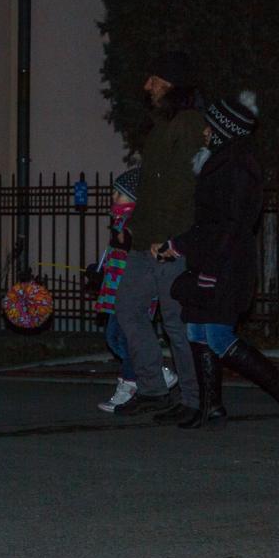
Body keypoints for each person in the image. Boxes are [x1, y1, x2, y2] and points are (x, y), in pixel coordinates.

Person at [152, 92, 279, 430]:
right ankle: (211, 407)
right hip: (211, 260)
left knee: (219, 337)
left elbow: (230, 225)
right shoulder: (221, 162)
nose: (205, 132)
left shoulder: (237, 167)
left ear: (224, 130)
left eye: (209, 127)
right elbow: (209, 223)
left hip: (225, 265)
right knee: (197, 330)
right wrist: (178, 245)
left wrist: (209, 267)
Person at [113, 52, 205, 420]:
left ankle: (194, 399)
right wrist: (135, 227)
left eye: (153, 79)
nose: (146, 86)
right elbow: (153, 188)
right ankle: (153, 388)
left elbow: (184, 188)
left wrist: (169, 237)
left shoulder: (188, 124)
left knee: (176, 323)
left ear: (171, 83)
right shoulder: (162, 125)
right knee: (128, 310)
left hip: (171, 243)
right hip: (145, 241)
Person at [94, 167, 178, 412]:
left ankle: (131, 382)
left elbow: (137, 257)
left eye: (120, 194)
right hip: (115, 289)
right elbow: (115, 255)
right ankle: (153, 371)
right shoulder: (119, 221)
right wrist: (99, 271)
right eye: (114, 192)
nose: (114, 197)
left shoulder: (136, 223)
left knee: (126, 337)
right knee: (116, 337)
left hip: (130, 291)